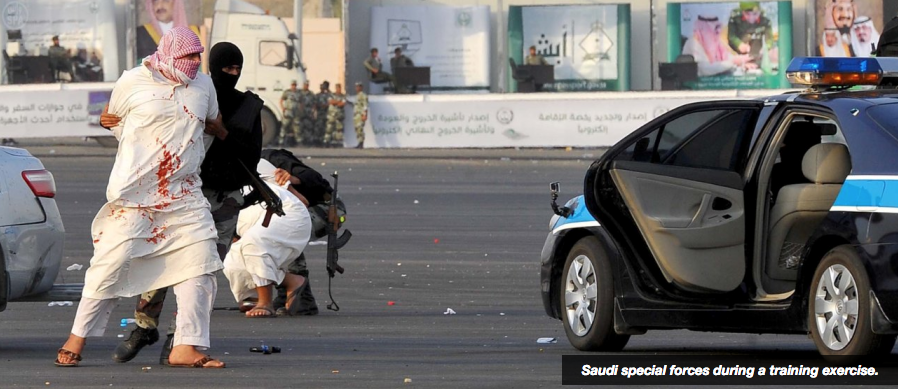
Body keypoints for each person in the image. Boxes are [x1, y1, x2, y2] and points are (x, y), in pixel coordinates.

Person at [55, 27, 226, 369]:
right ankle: (77, 338)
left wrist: (214, 129)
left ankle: (186, 346)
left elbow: (216, 123)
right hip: (135, 197)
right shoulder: (132, 81)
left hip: (184, 194)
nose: (194, 63)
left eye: (198, 56)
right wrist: (110, 124)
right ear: (168, 54)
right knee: (109, 267)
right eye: (188, 57)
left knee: (201, 267)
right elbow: (114, 121)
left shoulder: (203, 85)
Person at [103, 41, 263, 365]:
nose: (231, 75)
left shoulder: (249, 107)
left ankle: (181, 338)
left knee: (200, 272)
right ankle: (144, 326)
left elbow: (251, 155)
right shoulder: (190, 93)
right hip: (183, 194)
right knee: (160, 261)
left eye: (236, 70)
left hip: (224, 201)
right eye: (225, 69)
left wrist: (222, 133)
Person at [223, 159, 311, 317]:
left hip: (287, 213)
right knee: (233, 259)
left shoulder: (255, 160)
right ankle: (286, 283)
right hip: (251, 224)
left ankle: (265, 302)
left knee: (254, 244)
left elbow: (302, 201)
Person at [682, 15, 755, 77]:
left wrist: (742, 62)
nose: (718, 31)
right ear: (704, 29)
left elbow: (727, 58)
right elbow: (705, 69)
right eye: (715, 28)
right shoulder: (693, 43)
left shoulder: (715, 42)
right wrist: (733, 62)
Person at [136, 0, 201, 60]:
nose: (159, 6)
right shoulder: (141, 34)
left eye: (166, 1)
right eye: (155, 1)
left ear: (176, 4)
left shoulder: (194, 32)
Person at [278, 80, 301, 146]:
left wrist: (300, 109)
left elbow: (301, 101)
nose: (294, 86)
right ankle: (281, 141)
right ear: (291, 85)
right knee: (284, 126)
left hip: (296, 112)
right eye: (293, 85)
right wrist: (283, 108)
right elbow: (281, 100)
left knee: (297, 127)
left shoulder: (298, 93)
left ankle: (299, 141)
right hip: (288, 111)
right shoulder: (287, 92)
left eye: (295, 85)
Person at [298, 80, 317, 146]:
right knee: (300, 127)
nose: (306, 86)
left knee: (309, 127)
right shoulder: (300, 93)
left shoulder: (311, 94)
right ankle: (301, 141)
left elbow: (314, 103)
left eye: (307, 85)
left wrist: (313, 111)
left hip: (309, 111)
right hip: (302, 111)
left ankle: (309, 141)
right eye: (305, 85)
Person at [353, 82, 368, 148]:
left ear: (361, 87)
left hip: (360, 114)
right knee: (357, 128)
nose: (357, 88)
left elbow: (365, 106)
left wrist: (364, 114)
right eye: (356, 87)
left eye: (359, 86)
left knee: (360, 128)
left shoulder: (363, 95)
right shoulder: (357, 96)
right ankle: (359, 141)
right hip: (356, 115)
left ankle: (361, 143)